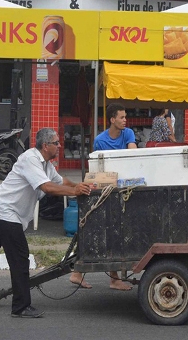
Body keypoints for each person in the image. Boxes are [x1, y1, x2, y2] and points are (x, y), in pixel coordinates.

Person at [0, 128, 92, 317]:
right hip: (5, 212)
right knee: (20, 257)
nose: (59, 145)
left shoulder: (46, 165)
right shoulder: (30, 159)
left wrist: (79, 186)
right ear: (45, 145)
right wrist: (75, 192)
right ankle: (21, 306)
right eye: (56, 143)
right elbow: (47, 187)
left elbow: (60, 181)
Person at [75, 103, 134, 291]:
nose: (125, 120)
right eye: (122, 117)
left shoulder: (128, 134)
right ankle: (107, 278)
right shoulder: (100, 140)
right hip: (107, 190)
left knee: (112, 231)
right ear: (112, 119)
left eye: (125, 117)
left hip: (123, 189)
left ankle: (80, 274)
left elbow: (132, 155)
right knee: (103, 230)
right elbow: (99, 168)